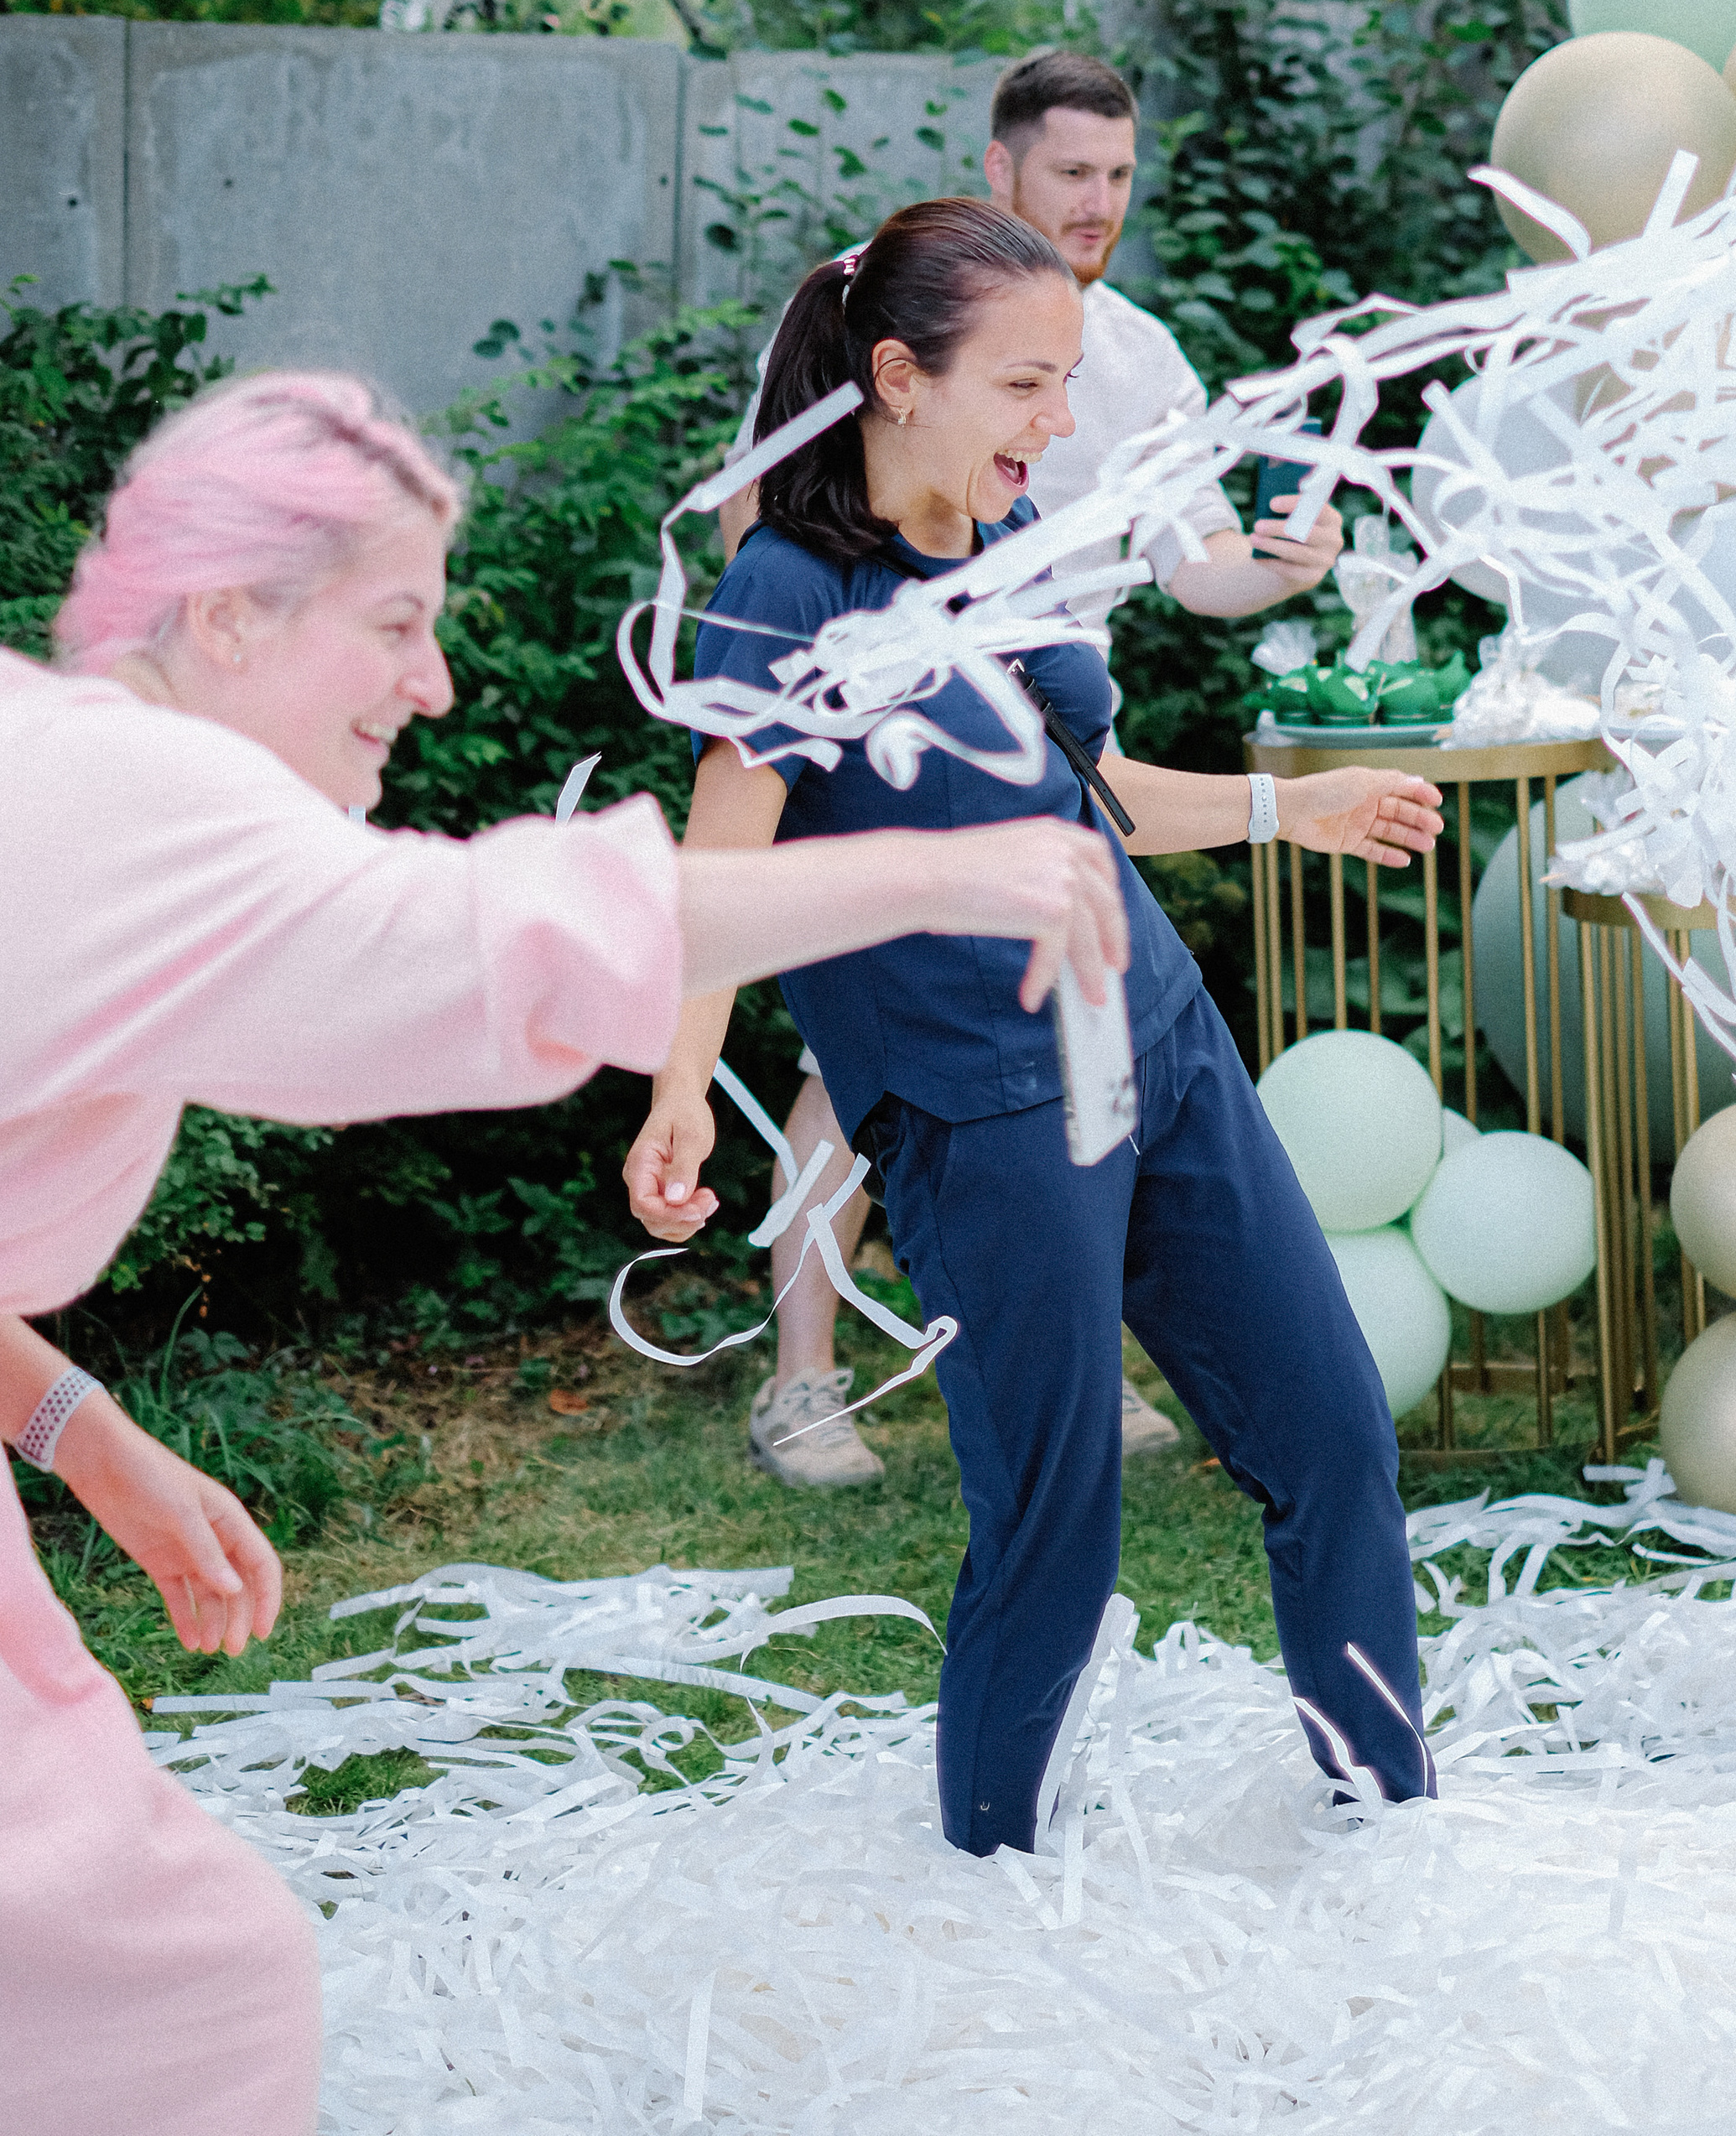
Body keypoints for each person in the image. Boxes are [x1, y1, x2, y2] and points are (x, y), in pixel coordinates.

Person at [1, 368, 1127, 2136]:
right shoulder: (131, 802)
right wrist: (948, 875)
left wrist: (84, 1433)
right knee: (180, 1993)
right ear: (224, 618)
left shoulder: (64, 769)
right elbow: (491, 939)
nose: (435, 684)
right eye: (394, 625)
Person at [623, 197, 1444, 1860]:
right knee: (1055, 1522)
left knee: (1334, 1437)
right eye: (1025, 385)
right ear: (898, 377)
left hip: (1163, 1046)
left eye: (1065, 383)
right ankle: (990, 1888)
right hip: (981, 1105)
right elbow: (721, 863)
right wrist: (680, 1087)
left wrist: (1298, 808)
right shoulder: (785, 590)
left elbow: (1104, 794)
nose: (1060, 423)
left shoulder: (1009, 550)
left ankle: (1390, 1834)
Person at [715, 47, 1346, 1484]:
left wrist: (1281, 565)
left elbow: (1198, 568)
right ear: (1001, 167)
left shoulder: (1146, 358)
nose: (1098, 200)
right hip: (891, 751)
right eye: (1071, 170)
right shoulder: (881, 309)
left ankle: (1080, 1362)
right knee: (853, 1068)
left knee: (1087, 1052)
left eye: (1120, 174)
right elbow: (763, 519)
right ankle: (803, 1382)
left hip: (1062, 750)